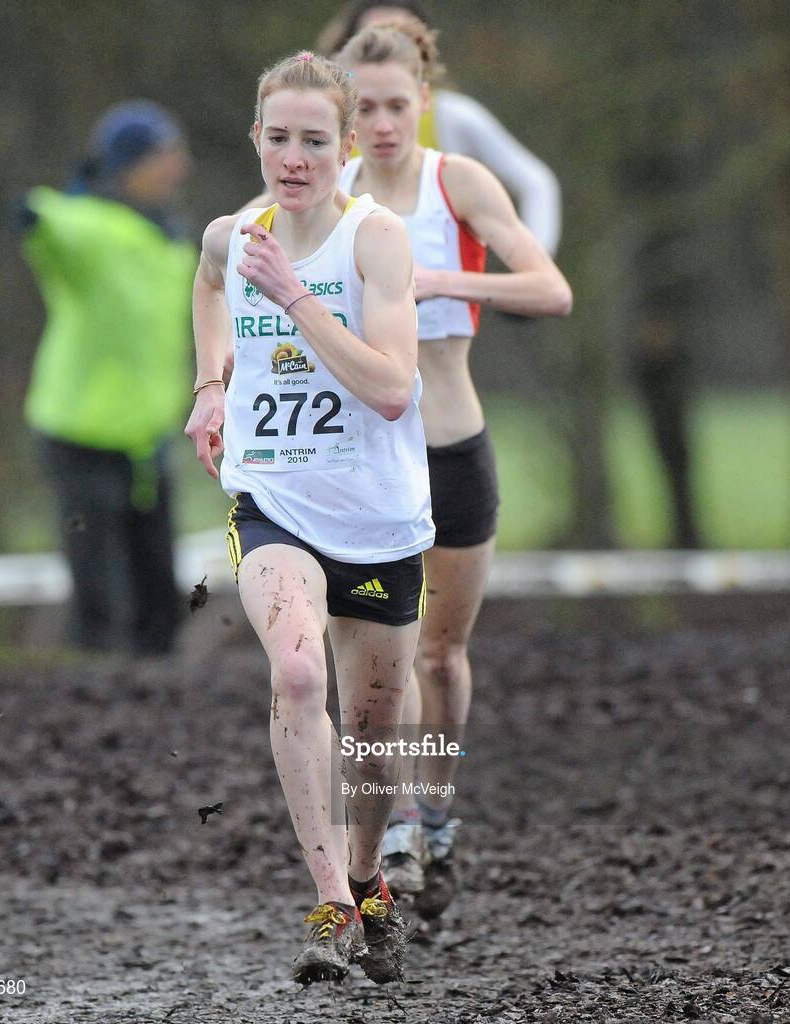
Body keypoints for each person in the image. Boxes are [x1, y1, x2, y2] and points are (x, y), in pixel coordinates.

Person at [184, 51, 434, 985]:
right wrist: (211, 383)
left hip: (376, 522)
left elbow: (391, 389)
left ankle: (368, 882)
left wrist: (295, 299)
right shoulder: (231, 234)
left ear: (344, 149)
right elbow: (209, 283)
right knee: (296, 671)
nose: (294, 159)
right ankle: (329, 900)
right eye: (278, 138)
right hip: (273, 501)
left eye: (314, 141)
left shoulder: (373, 242)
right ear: (256, 139)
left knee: (371, 732)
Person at [335, 22, 572, 916]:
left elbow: (548, 290)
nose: (384, 122)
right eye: (366, 107)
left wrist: (440, 280)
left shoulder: (457, 182)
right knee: (369, 660)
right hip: (362, 460)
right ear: (344, 110)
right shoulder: (333, 191)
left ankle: (436, 809)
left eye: (399, 105)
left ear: (425, 100)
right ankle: (388, 823)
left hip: (452, 445)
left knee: (439, 654)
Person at [18, 101, 195, 655]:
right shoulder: (92, 226)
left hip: (146, 437)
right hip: (80, 435)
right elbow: (53, 225)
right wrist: (38, 215)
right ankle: (91, 709)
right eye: (163, 156)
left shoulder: (172, 238)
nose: (176, 167)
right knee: (99, 594)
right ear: (128, 165)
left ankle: (156, 708)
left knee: (159, 593)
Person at [318, 0, 562, 254]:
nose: (383, 126)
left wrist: (535, 261)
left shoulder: (452, 117)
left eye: (398, 107)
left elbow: (536, 182)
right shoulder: (323, 126)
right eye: (372, 39)